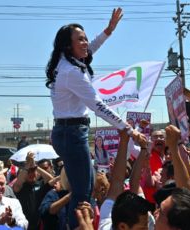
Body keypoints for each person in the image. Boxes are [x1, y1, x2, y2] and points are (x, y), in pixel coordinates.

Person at [45, 7, 145, 229]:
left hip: (68, 132)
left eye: (85, 38)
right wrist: (129, 130)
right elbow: (98, 105)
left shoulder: (68, 60)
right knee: (82, 193)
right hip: (71, 134)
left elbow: (91, 49)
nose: (85, 43)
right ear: (67, 45)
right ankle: (79, 226)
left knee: (85, 188)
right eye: (79, 39)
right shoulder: (72, 72)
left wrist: (108, 31)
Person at [13, 152, 54, 230]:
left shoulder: (39, 184)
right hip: (22, 224)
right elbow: (18, 182)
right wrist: (28, 165)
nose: (31, 173)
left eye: (33, 171)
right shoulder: (20, 186)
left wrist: (35, 165)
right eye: (29, 171)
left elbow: (50, 179)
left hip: (38, 224)